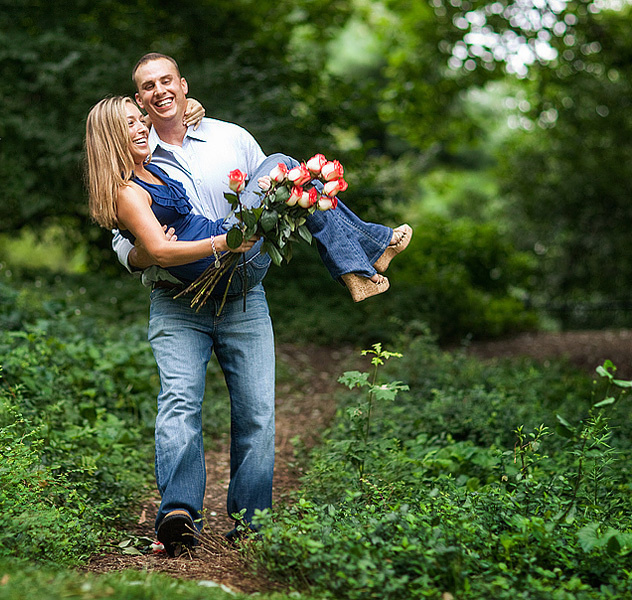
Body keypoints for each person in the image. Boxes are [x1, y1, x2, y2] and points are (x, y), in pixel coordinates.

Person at [100, 53, 411, 556]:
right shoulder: (133, 150)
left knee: (258, 413)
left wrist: (239, 236)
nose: (159, 92)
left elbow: (282, 197)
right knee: (178, 405)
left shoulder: (230, 138)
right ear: (139, 100)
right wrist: (151, 250)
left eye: (167, 81)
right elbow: (123, 239)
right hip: (178, 299)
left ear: (184, 84)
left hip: (244, 296)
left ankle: (251, 523)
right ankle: (178, 515)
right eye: (148, 87)